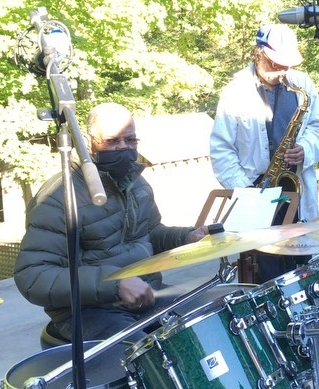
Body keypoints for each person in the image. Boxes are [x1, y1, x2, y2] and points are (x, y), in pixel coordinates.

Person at [14, 102, 209, 343]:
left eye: (130, 140)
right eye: (112, 141)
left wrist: (187, 237)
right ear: (87, 142)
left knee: (204, 322)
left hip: (146, 297)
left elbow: (149, 234)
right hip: (89, 311)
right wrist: (113, 285)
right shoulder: (58, 197)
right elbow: (33, 277)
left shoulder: (137, 184)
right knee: (142, 354)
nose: (123, 148)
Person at [210, 23, 319, 283]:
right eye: (278, 64)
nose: (284, 71)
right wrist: (248, 190)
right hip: (256, 190)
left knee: (301, 265)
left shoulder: (301, 84)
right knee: (264, 269)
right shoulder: (235, 92)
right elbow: (221, 150)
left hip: (296, 190)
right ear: (259, 54)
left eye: (288, 65)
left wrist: (306, 150)